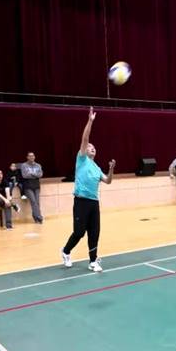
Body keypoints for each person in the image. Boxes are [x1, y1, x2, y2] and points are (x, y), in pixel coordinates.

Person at [61, 107, 115, 271]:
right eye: (90, 146)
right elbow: (85, 138)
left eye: (94, 147)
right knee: (79, 232)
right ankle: (66, 251)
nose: (92, 148)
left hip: (94, 202)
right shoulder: (82, 159)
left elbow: (108, 181)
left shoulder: (97, 168)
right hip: (81, 201)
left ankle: (92, 261)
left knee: (94, 232)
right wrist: (90, 121)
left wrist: (111, 169)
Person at [21, 152, 44, 223]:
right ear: (27, 157)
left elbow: (40, 175)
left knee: (37, 202)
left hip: (36, 186)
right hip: (28, 186)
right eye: (30, 156)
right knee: (33, 202)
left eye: (33, 156)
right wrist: (35, 175)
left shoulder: (38, 165)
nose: (31, 157)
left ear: (34, 157)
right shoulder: (24, 165)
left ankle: (36, 218)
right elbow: (24, 175)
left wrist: (31, 174)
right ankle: (39, 217)